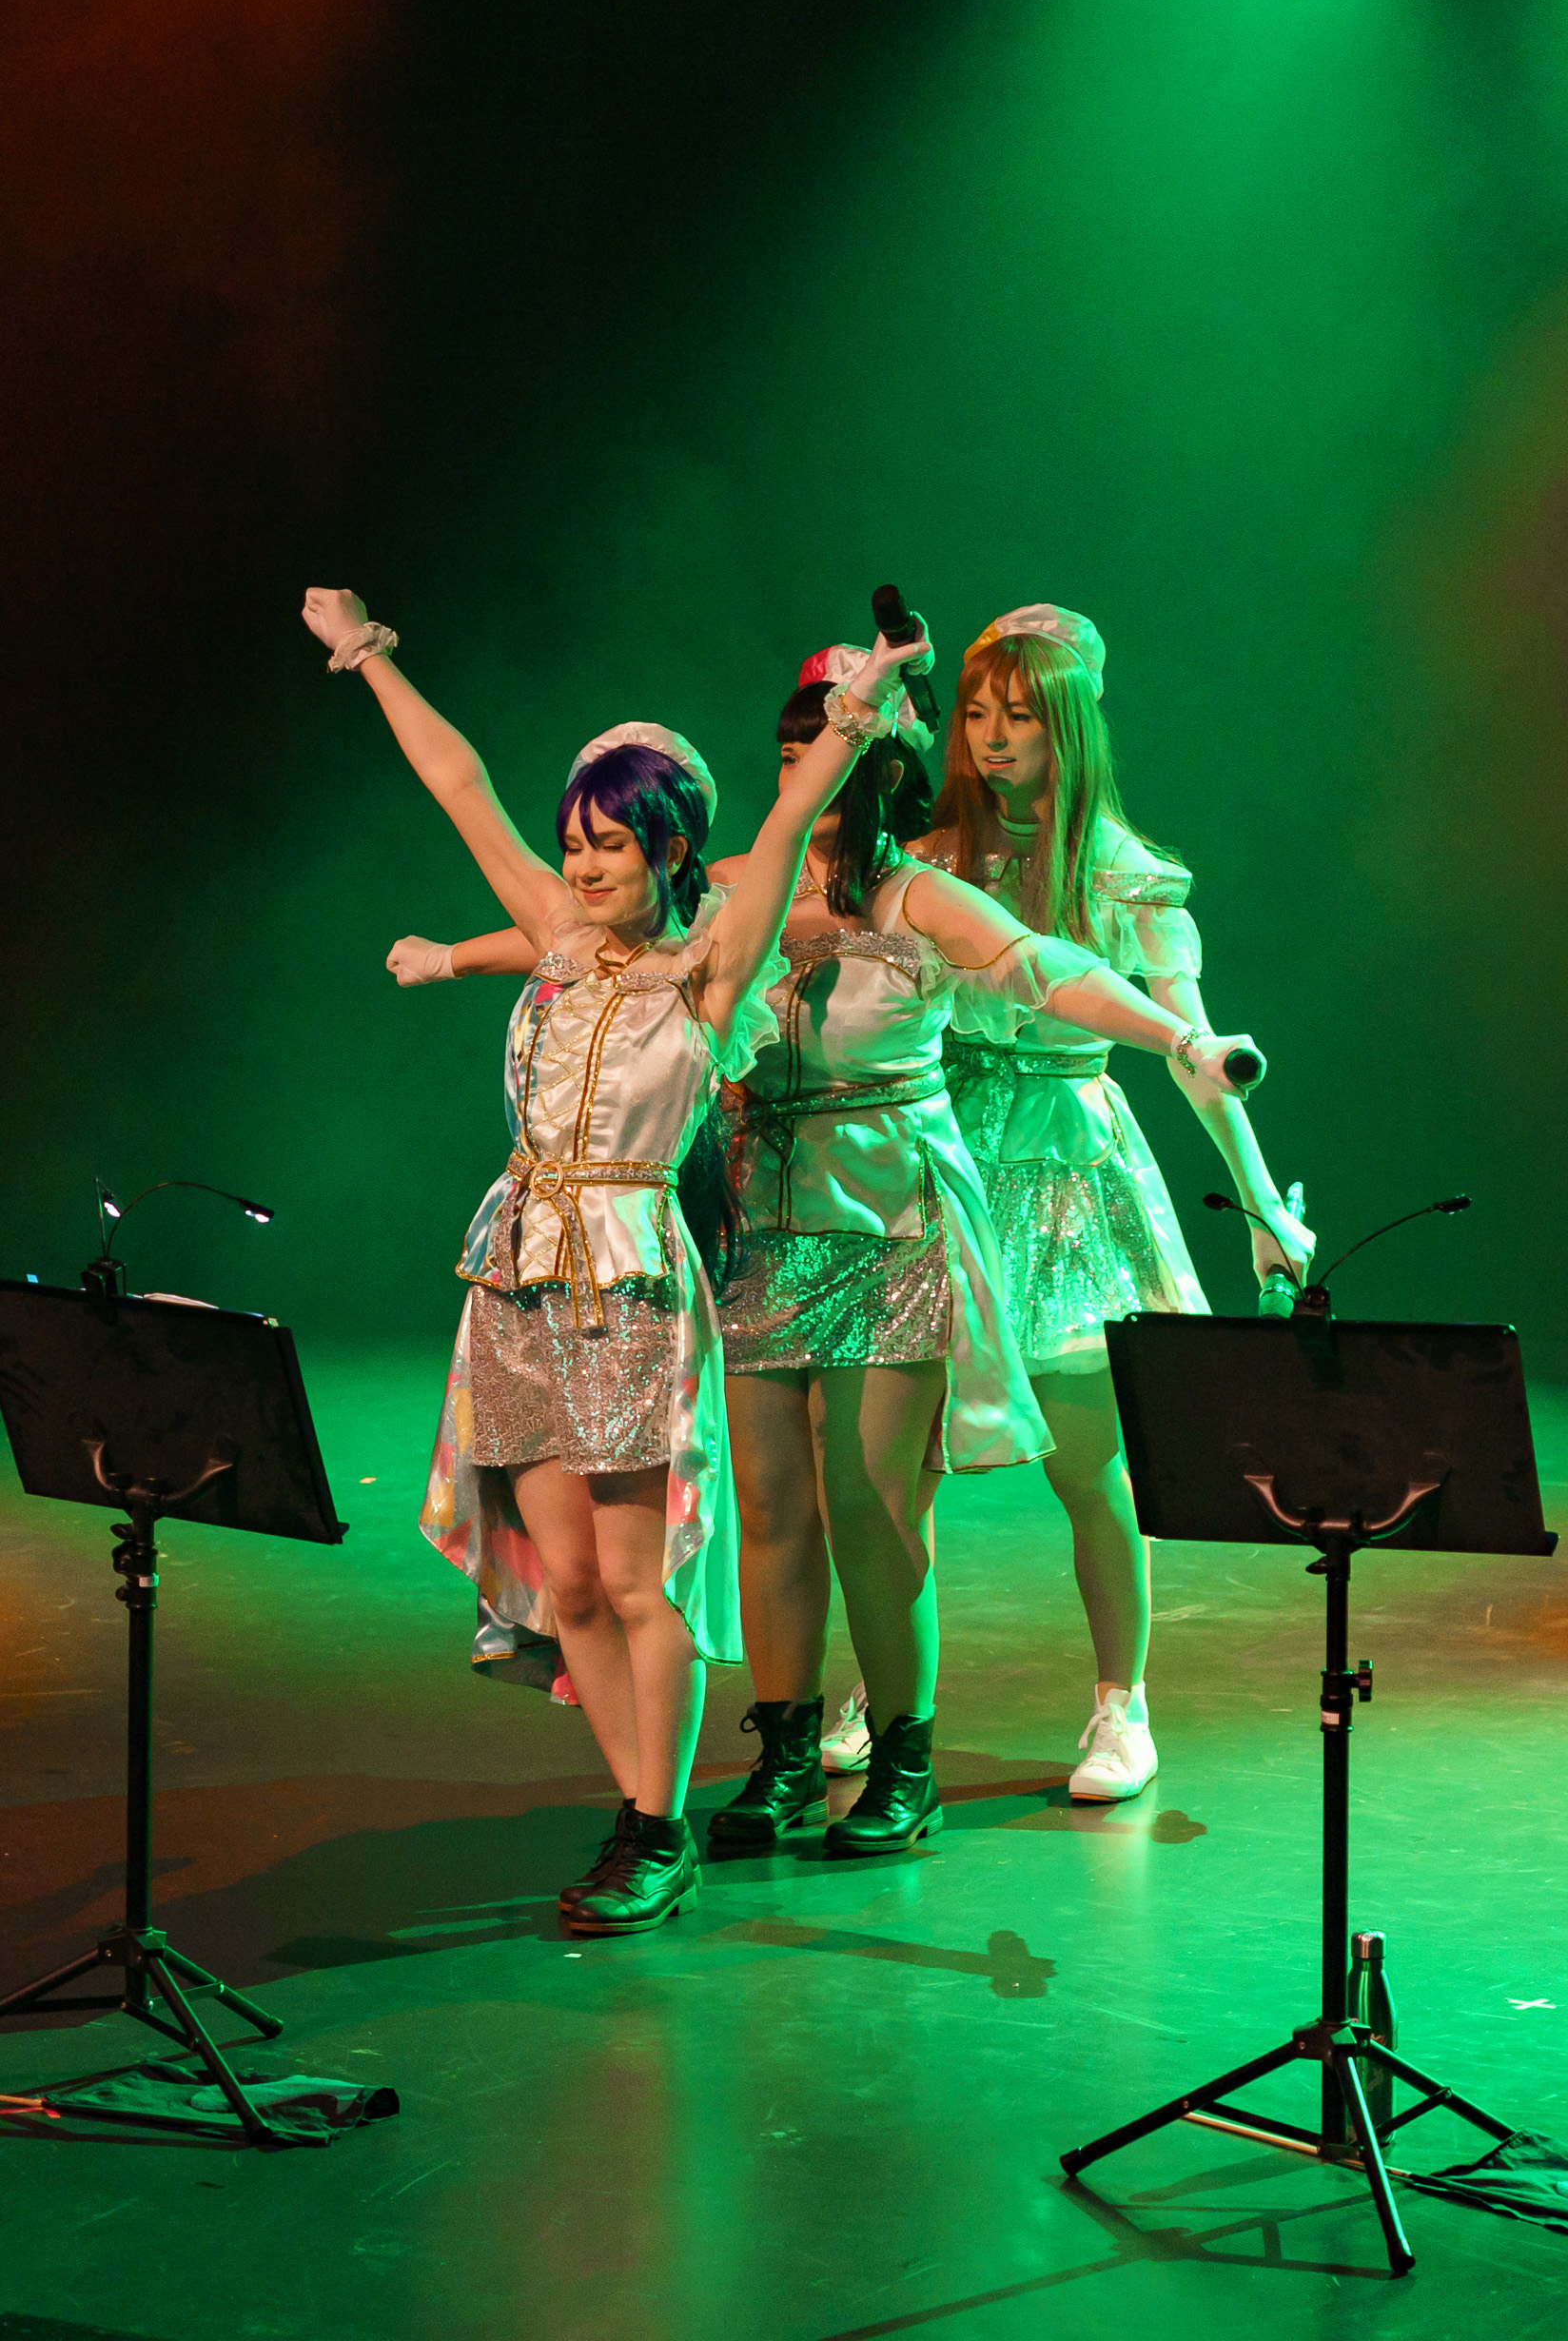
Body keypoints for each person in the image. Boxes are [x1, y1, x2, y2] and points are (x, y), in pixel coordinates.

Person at [394, 638, 1267, 1857]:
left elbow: (1046, 970)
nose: (803, 769)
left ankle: (904, 1751)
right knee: (770, 1507)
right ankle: (786, 1750)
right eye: (791, 752)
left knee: (871, 1509)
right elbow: (585, 930)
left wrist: (1177, 1037)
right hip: (756, 1233)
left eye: (829, 749)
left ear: (880, 765)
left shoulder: (918, 897)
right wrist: (452, 953)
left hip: (887, 1229)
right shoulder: (735, 889)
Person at [299, 584, 930, 1931]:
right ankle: (638, 1809)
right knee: (570, 1581)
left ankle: (655, 1827)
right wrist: (366, 656)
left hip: (632, 1284)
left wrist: (856, 710)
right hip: (515, 1280)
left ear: (668, 848)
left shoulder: (706, 971)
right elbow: (460, 787)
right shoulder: (557, 936)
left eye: (611, 845)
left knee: (639, 1579)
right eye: (575, 843)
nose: (582, 866)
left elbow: (784, 829)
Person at [912, 602, 1316, 1803]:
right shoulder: (927, 860)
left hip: (1070, 1169)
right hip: (941, 1152)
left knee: (1087, 1464)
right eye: (975, 715)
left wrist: (1260, 1205)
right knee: (900, 1454)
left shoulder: (1126, 874)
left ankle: (1121, 1702)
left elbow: (1197, 1054)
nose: (992, 738)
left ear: (1069, 727)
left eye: (1019, 717)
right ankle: (886, 1694)